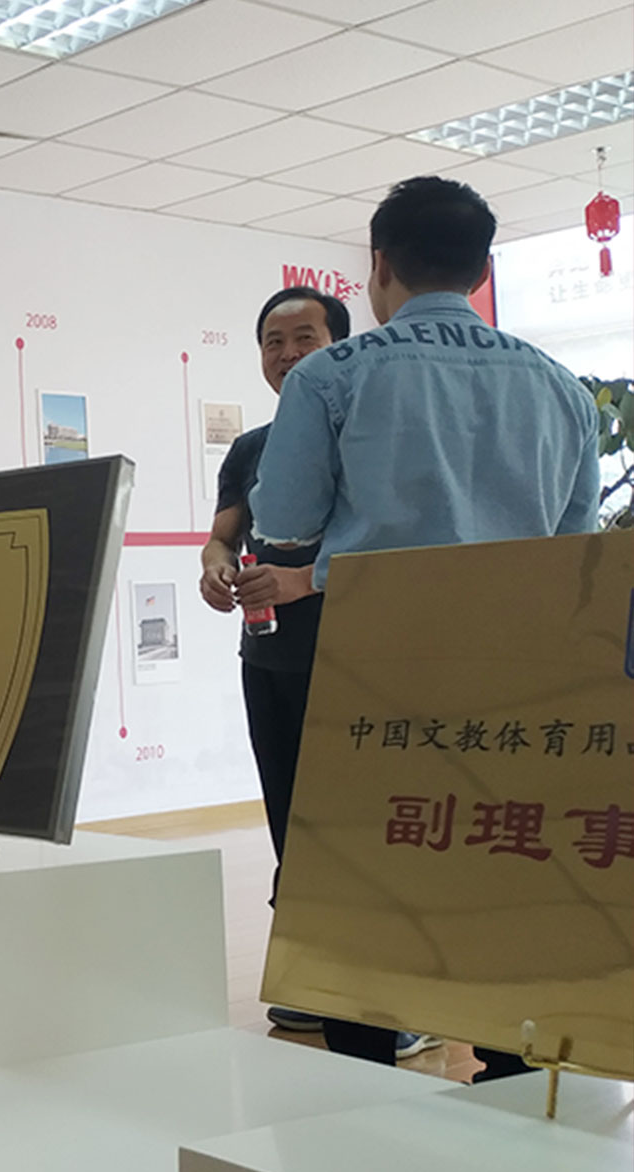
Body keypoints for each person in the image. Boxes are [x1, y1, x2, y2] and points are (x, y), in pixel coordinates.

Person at [251, 176, 599, 1080]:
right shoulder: (559, 386)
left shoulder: (333, 375)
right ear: (481, 268)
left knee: (364, 879)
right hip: (518, 676)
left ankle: (364, 1072)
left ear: (378, 266)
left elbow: (283, 520)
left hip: (375, 667)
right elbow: (576, 548)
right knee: (498, 862)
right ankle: (508, 1069)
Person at [199, 285, 354, 1041]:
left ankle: (389, 998)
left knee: (356, 825)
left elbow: (386, 545)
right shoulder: (250, 448)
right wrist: (214, 565)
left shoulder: (363, 432)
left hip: (355, 658)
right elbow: (222, 535)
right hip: (267, 657)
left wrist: (301, 581)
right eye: (273, 341)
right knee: (290, 820)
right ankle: (315, 978)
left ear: (340, 347)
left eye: (304, 338)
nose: (287, 354)